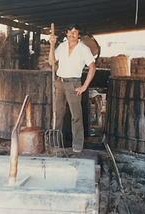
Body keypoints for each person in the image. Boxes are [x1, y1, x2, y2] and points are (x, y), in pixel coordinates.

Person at [49, 23, 96, 153]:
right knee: (58, 114)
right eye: (70, 31)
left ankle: (77, 144)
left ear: (79, 34)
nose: (72, 34)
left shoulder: (83, 48)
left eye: (75, 32)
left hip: (74, 84)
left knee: (76, 116)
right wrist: (52, 45)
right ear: (66, 33)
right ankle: (55, 142)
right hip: (60, 82)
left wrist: (84, 86)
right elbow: (51, 62)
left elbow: (92, 67)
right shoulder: (62, 46)